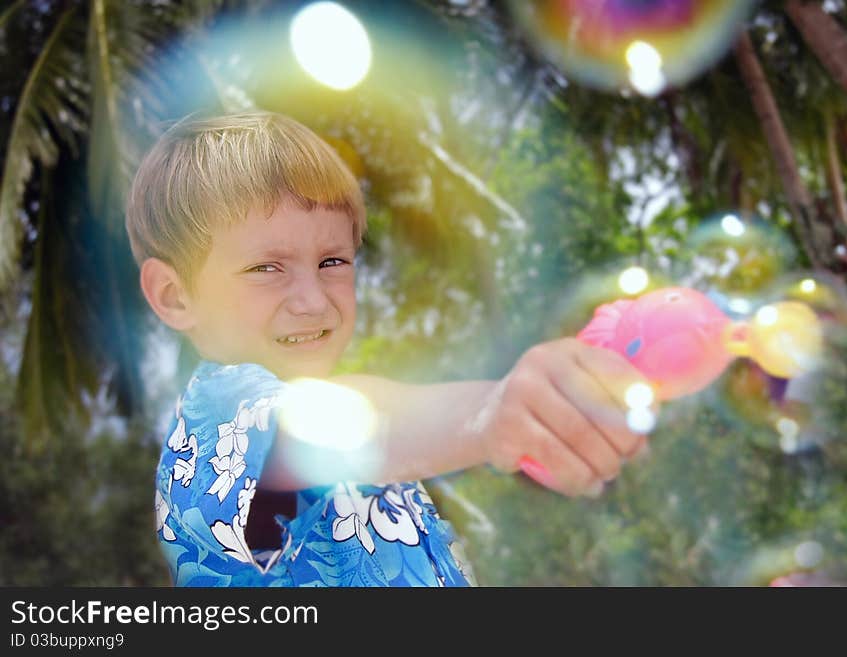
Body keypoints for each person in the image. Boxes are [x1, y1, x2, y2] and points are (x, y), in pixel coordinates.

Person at [128, 110, 655, 587]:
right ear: (175, 297)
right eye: (267, 268)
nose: (313, 300)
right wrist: (492, 412)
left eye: (332, 261)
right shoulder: (217, 425)